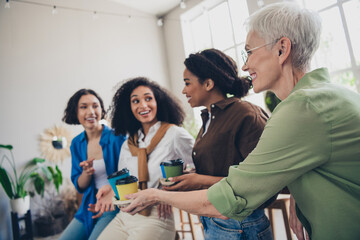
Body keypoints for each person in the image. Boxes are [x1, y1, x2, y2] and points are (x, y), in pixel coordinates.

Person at [121, 3, 360, 240]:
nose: (245, 65)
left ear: (282, 49)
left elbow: (230, 196)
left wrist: (156, 195)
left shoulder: (301, 109)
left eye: (249, 52)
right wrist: (298, 193)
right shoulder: (326, 98)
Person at [161, 48, 274, 239]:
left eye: (187, 83)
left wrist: (199, 180)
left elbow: (260, 184)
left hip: (240, 224)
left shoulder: (246, 115)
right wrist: (193, 178)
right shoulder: (209, 117)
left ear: (208, 83)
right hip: (216, 219)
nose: (183, 90)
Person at [93, 77, 194, 240]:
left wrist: (169, 192)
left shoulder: (174, 134)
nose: (143, 105)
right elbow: (124, 178)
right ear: (129, 108)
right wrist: (109, 189)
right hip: (125, 215)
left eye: (148, 98)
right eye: (135, 101)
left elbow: (200, 168)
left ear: (158, 102)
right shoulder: (129, 143)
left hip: (156, 216)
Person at [60, 89, 127, 240]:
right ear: (76, 112)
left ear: (101, 110)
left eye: (95, 106)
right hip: (89, 205)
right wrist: (86, 172)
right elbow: (80, 186)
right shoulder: (77, 143)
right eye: (84, 107)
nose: (91, 112)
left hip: (114, 203)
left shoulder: (118, 137)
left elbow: (130, 172)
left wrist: (112, 196)